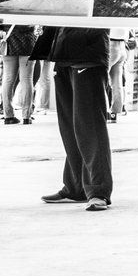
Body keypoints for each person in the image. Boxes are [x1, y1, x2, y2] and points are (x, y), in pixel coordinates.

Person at [39, 26, 114, 211]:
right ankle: (75, 187)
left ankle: (98, 191)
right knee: (70, 128)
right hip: (62, 55)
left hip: (88, 57)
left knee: (90, 127)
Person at [0, 23, 38, 125]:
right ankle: (26, 116)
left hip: (8, 40)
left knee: (8, 79)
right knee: (27, 79)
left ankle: (8, 116)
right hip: (27, 41)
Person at [106, 27, 131, 121]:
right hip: (122, 47)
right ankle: (114, 113)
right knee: (117, 83)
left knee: (100, 78)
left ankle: (103, 110)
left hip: (111, 45)